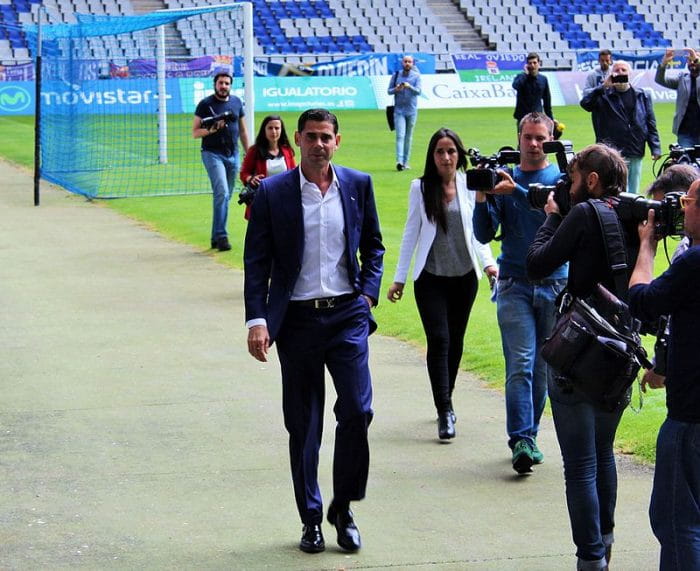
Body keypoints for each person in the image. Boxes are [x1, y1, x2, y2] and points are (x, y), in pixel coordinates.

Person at [243, 109, 384, 555]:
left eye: (327, 137)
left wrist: (367, 295)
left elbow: (374, 246)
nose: (319, 144)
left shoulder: (358, 185)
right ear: (297, 139)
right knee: (304, 426)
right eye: (312, 137)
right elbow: (256, 262)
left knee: (358, 411)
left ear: (337, 142)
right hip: (298, 321)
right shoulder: (272, 192)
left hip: (347, 316)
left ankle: (343, 509)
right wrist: (257, 319)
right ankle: (310, 518)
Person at [526, 144, 637, 570]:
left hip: (577, 348)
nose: (568, 189)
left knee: (580, 466)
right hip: (620, 348)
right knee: (603, 453)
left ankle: (591, 559)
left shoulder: (582, 212)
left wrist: (553, 215)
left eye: (573, 180)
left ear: (591, 179)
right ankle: (604, 544)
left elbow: (538, 263)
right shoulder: (634, 213)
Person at [386, 128, 497, 440]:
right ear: (432, 156)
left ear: (459, 155)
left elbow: (479, 229)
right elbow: (410, 233)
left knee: (456, 341)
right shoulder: (419, 188)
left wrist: (489, 264)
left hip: (464, 278)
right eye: (440, 152)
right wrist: (398, 278)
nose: (446, 157)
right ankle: (444, 409)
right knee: (439, 339)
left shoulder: (469, 184)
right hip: (431, 278)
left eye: (451, 151)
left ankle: (444, 394)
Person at [472, 112, 567, 474]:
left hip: (555, 282)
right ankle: (521, 439)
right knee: (521, 365)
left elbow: (557, 214)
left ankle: (530, 435)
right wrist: (483, 196)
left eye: (540, 138)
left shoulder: (559, 177)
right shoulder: (502, 179)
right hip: (513, 281)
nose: (533, 144)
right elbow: (483, 234)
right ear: (518, 136)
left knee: (543, 368)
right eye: (527, 137)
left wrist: (519, 191)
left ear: (549, 139)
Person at [628, 178, 700, 571]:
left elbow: (642, 301)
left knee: (676, 520)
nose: (682, 210)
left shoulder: (692, 262)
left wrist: (647, 245)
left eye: (686, 203)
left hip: (690, 415)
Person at [639, 164, 699, 400]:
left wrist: (661, 366)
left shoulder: (689, 252)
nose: (659, 216)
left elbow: (648, 304)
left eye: (664, 208)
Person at [580, 59, 661, 195]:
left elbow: (650, 122)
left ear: (630, 74)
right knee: (613, 187)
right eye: (617, 70)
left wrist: (655, 147)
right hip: (611, 150)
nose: (620, 73)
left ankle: (632, 214)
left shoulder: (642, 95)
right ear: (611, 74)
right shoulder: (603, 95)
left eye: (624, 70)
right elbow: (585, 104)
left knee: (633, 188)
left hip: (635, 146)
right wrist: (603, 87)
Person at [193, 71, 250, 251]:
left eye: (227, 83)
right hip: (212, 153)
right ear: (215, 84)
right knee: (222, 193)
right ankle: (222, 236)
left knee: (225, 197)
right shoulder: (205, 105)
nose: (223, 86)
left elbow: (242, 131)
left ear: (230, 85)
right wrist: (212, 130)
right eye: (221, 83)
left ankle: (215, 237)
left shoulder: (236, 102)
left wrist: (250, 152)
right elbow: (195, 132)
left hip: (233, 154)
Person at [239, 115, 296, 220]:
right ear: (264, 130)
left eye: (277, 128)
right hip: (262, 199)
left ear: (281, 130)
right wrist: (251, 179)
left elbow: (294, 174)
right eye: (270, 128)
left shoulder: (287, 150)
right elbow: (244, 173)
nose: (274, 131)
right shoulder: (254, 151)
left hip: (283, 200)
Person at [654, 47, 700, 148]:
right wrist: (664, 63)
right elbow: (660, 80)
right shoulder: (682, 79)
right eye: (689, 60)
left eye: (695, 60)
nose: (692, 62)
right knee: (687, 162)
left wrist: (696, 59)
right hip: (685, 132)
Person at [387, 54, 421, 171]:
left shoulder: (416, 76)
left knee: (408, 137)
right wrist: (396, 89)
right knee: (400, 136)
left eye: (409, 62)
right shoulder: (396, 75)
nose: (407, 63)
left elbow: (418, 91)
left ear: (412, 64)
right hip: (399, 110)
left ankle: (406, 161)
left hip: (411, 110)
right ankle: (399, 161)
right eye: (405, 61)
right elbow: (389, 91)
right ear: (402, 63)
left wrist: (409, 87)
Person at [512, 53, 553, 130]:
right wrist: (525, 74)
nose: (532, 65)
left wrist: (551, 119)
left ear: (539, 63)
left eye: (535, 63)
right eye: (530, 63)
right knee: (522, 141)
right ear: (527, 65)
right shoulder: (521, 77)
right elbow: (515, 86)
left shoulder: (543, 79)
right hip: (522, 116)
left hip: (537, 116)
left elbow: (547, 101)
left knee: (538, 139)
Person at [583, 49, 613, 140]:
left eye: (607, 60)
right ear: (599, 61)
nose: (605, 63)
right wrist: (600, 88)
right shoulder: (592, 74)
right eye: (602, 60)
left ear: (611, 60)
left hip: (613, 107)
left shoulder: (614, 73)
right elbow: (586, 91)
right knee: (600, 135)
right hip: (598, 108)